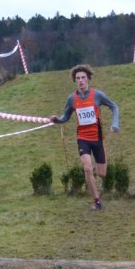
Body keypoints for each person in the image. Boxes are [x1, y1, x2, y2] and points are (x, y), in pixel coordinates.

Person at [50, 64, 120, 211]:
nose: (80, 80)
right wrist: (57, 120)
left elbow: (114, 106)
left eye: (83, 77)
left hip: (98, 139)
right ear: (75, 81)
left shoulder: (97, 95)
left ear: (88, 79)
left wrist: (115, 124)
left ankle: (94, 181)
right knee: (87, 168)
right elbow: (66, 116)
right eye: (78, 78)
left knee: (102, 173)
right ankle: (97, 201)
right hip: (83, 138)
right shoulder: (72, 98)